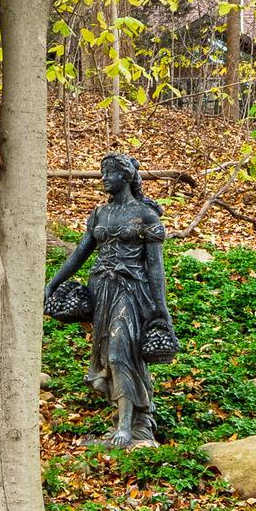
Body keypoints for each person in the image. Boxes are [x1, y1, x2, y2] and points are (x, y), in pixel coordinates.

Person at [44, 154, 177, 448]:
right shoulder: (100, 214)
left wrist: (161, 308)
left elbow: (155, 267)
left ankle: (127, 429)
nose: (103, 178)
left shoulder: (146, 215)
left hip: (132, 292)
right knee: (108, 357)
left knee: (120, 354)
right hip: (102, 291)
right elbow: (79, 254)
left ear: (126, 176)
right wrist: (53, 282)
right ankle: (124, 421)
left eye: (109, 173)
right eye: (102, 173)